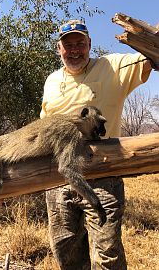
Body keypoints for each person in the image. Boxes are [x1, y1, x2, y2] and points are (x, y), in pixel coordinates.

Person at [40, 19, 155, 270]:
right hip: (59, 181)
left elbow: (149, 56)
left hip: (103, 176)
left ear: (90, 44)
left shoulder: (112, 67)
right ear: (59, 48)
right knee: (65, 252)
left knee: (107, 254)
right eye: (67, 44)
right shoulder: (51, 81)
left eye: (80, 43)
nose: (74, 49)